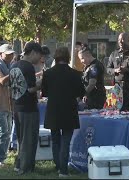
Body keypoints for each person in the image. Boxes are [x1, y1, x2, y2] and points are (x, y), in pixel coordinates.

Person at [41, 47, 85, 178]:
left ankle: (58, 164)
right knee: (66, 140)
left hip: (53, 109)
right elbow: (80, 92)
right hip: (69, 109)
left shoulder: (48, 73)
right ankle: (63, 169)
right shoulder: (75, 74)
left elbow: (45, 92)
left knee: (55, 140)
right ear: (68, 58)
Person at [10, 41, 43, 175]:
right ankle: (26, 168)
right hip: (28, 107)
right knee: (29, 139)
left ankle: (18, 164)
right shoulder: (28, 67)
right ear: (33, 52)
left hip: (16, 106)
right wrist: (42, 83)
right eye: (39, 55)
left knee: (21, 139)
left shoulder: (14, 65)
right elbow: (30, 89)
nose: (40, 59)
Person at [107, 33, 129, 112]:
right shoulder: (114, 54)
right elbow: (108, 69)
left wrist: (127, 70)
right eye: (119, 40)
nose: (120, 42)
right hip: (117, 88)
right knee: (116, 110)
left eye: (122, 39)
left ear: (128, 41)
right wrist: (115, 70)